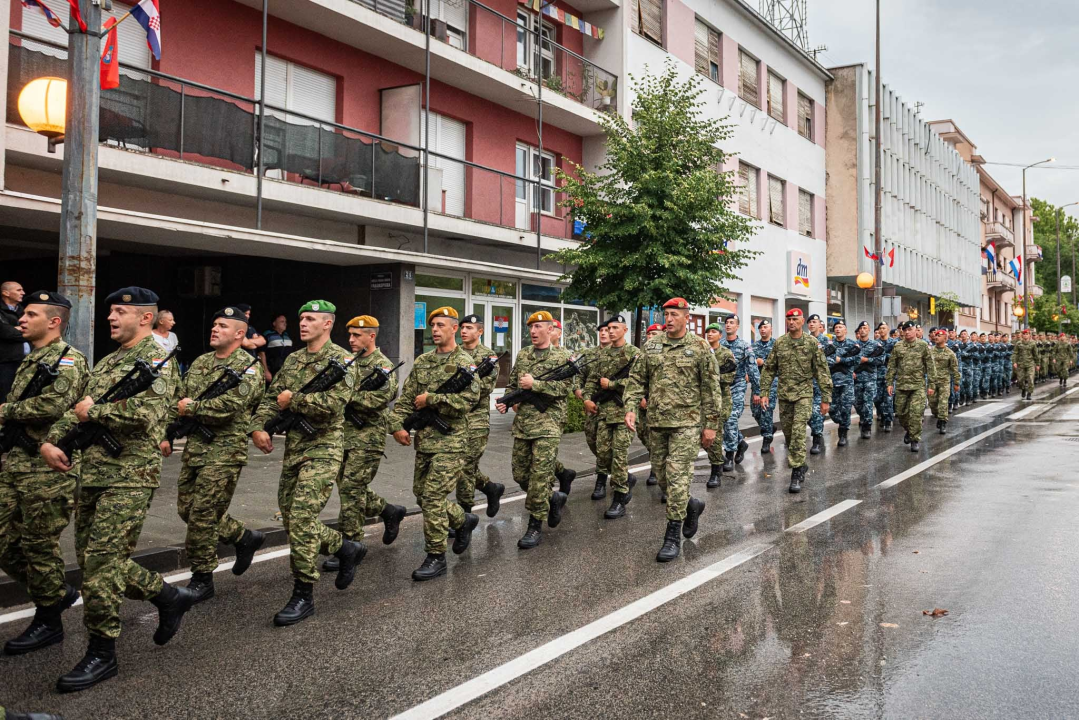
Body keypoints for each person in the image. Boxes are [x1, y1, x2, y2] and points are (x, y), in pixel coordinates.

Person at [40, 287, 194, 692]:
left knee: (103, 564)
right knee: (93, 562)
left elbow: (148, 415)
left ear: (145, 318)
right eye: (110, 310)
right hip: (92, 473)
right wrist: (51, 441)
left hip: (130, 475)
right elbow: (77, 408)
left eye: (120, 311)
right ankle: (167, 596)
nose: (110, 316)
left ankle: (102, 652)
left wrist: (98, 411)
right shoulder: (109, 360)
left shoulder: (157, 359)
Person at [250, 300, 366, 625]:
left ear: (327, 324)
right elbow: (274, 397)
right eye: (301, 318)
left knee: (301, 517)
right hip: (296, 448)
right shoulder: (294, 359)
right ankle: (345, 549)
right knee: (289, 516)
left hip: (324, 448)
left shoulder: (341, 359)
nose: (303, 323)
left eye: (310, 319)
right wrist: (258, 425)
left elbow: (335, 403)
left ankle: (303, 594)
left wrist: (296, 400)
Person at [0, 292, 88, 657]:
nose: (22, 318)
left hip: (50, 467)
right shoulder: (31, 358)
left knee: (39, 544)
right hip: (17, 463)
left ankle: (49, 621)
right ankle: (55, 591)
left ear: (54, 321)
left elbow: (55, 404)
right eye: (22, 312)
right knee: (4, 541)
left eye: (31, 313)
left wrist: (6, 410)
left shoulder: (68, 360)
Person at [160, 306, 266, 603]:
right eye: (214, 324)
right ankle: (244, 538)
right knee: (186, 510)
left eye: (222, 326)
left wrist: (191, 408)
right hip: (195, 448)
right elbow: (179, 397)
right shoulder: (202, 362)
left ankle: (202, 578)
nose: (214, 329)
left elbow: (232, 406)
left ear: (239, 333)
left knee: (203, 516)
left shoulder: (248, 366)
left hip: (225, 451)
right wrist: (168, 431)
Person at [391, 307, 480, 579]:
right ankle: (463, 520)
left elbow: (469, 401)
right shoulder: (423, 362)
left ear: (455, 328)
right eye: (433, 325)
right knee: (421, 495)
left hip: (452, 441)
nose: (436, 330)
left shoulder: (465, 361)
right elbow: (407, 398)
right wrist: (397, 424)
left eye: (441, 325)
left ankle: (436, 556)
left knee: (432, 497)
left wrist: (434, 399)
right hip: (425, 441)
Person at [623, 298, 715, 562]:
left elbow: (711, 388)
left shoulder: (699, 347)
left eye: (674, 314)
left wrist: (711, 425)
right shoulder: (652, 346)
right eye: (666, 314)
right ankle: (691, 505)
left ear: (687, 317)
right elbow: (637, 379)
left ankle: (672, 535)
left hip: (687, 423)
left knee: (676, 475)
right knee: (662, 477)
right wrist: (630, 407)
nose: (669, 318)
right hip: (657, 422)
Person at [323, 315, 409, 572]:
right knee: (348, 488)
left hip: (367, 437)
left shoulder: (382, 366)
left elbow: (379, 399)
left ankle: (352, 545)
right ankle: (388, 511)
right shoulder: (346, 362)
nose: (351, 340)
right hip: (340, 435)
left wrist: (345, 396)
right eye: (349, 335)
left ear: (371, 336)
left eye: (357, 335)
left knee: (351, 489)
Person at [497, 311, 573, 549]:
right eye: (530, 327)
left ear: (551, 330)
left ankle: (534, 524)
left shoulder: (563, 356)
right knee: (520, 474)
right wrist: (508, 400)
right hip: (524, 423)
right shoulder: (523, 354)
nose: (533, 331)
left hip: (549, 423)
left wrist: (536, 384)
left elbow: (566, 387)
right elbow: (513, 382)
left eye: (538, 326)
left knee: (540, 476)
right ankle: (553, 498)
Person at [758, 308, 832, 493]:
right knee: (790, 434)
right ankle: (800, 463)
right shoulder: (780, 343)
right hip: (784, 395)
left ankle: (797, 472)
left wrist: (825, 398)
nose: (791, 322)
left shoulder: (812, 343)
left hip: (804, 395)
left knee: (798, 431)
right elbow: (769, 369)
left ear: (802, 321)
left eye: (795, 319)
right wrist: (764, 391)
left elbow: (822, 371)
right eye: (788, 319)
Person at [584, 315, 640, 519]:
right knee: (603, 454)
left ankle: (620, 497)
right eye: (609, 328)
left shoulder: (634, 354)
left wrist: (614, 385)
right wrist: (587, 399)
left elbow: (639, 382)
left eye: (615, 327)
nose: (611, 331)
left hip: (625, 412)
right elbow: (592, 379)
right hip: (603, 413)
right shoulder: (602, 354)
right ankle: (625, 479)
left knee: (619, 455)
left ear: (625, 330)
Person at [454, 314, 506, 522]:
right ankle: (490, 488)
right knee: (461, 466)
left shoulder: (489, 357)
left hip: (476, 419)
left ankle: (464, 515)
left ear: (480, 331)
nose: (464, 331)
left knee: (465, 465)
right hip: (454, 418)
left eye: (469, 327)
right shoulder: (454, 353)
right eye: (462, 328)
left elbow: (484, 387)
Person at [886, 321, 935, 452]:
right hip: (902, 386)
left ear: (915, 330)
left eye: (909, 329)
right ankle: (909, 430)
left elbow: (930, 366)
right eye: (904, 330)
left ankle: (915, 439)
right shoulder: (898, 346)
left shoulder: (923, 346)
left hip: (918, 386)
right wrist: (890, 383)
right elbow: (892, 366)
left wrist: (932, 384)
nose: (907, 332)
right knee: (901, 414)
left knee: (916, 413)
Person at [719, 315, 760, 467]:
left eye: (732, 323)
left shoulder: (744, 346)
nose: (728, 325)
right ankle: (740, 442)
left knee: (730, 419)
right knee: (724, 420)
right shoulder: (719, 345)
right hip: (722, 388)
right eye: (727, 323)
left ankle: (729, 454)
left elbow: (753, 370)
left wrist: (757, 391)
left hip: (738, 386)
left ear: (737, 327)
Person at [580, 321, 611, 499]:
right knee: (592, 440)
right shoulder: (590, 354)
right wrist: (582, 394)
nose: (604, 333)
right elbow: (581, 376)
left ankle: (601, 480)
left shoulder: (622, 353)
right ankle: (619, 471)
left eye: (607, 330)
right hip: (593, 406)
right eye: (601, 331)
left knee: (604, 444)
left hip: (612, 408)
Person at [703, 323, 734, 485]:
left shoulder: (726, 354)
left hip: (721, 400)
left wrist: (713, 377)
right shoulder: (702, 352)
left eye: (714, 332)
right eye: (708, 332)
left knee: (715, 434)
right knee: (702, 437)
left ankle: (716, 470)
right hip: (702, 401)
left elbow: (730, 377)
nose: (710, 334)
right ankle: (717, 458)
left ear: (720, 335)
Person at [826, 320, 858, 447]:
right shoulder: (830, 345)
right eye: (836, 327)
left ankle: (843, 433)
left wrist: (841, 360)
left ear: (845, 330)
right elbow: (825, 359)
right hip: (832, 381)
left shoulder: (852, 345)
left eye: (840, 327)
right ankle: (842, 422)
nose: (838, 329)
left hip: (847, 382)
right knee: (833, 409)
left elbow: (856, 360)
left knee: (845, 408)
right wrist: (835, 360)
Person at [640, 323, 664, 484]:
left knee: (660, 438)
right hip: (645, 402)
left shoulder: (668, 352)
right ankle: (657, 463)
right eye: (649, 334)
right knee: (644, 435)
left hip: (663, 404)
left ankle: (657, 469)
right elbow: (637, 378)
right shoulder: (642, 354)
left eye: (655, 333)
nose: (651, 337)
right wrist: (641, 396)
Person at [851, 321, 883, 439]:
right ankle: (863, 417)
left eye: (865, 328)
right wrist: (852, 371)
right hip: (857, 378)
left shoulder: (876, 345)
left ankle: (867, 426)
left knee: (868, 402)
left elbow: (881, 360)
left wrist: (867, 360)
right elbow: (848, 361)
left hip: (870, 378)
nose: (863, 330)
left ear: (869, 330)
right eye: (861, 328)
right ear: (858, 331)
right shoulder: (853, 345)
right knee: (858, 403)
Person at [927, 327, 960, 435]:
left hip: (945, 381)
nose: (936, 337)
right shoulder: (930, 352)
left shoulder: (950, 353)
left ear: (945, 338)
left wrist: (956, 383)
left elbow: (955, 368)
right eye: (936, 335)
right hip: (932, 381)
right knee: (932, 403)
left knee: (943, 402)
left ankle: (943, 422)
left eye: (939, 336)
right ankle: (938, 416)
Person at [752, 319, 778, 454]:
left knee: (766, 410)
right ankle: (769, 427)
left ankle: (767, 438)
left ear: (771, 329)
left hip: (772, 382)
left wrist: (764, 362)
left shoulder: (776, 345)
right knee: (755, 411)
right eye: (761, 327)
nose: (763, 329)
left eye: (765, 327)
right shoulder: (754, 346)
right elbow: (750, 363)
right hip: (757, 382)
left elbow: (779, 364)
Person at [806, 314, 831, 455]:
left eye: (814, 322)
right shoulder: (805, 340)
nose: (812, 324)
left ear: (819, 324)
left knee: (816, 412)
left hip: (820, 383)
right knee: (807, 414)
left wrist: (819, 365)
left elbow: (833, 359)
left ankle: (816, 439)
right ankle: (818, 430)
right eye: (810, 322)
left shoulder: (826, 341)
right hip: (806, 383)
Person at [0, 281, 27, 402]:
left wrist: (16, 329)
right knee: (5, 396)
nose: (23, 293)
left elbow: (38, 330)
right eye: (19, 290)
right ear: (6, 293)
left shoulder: (25, 310)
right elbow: (6, 332)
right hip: (6, 362)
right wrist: (27, 331)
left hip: (26, 361)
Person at [873, 322, 895, 431]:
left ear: (888, 329)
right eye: (880, 328)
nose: (882, 330)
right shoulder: (875, 343)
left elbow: (896, 358)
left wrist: (884, 356)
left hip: (889, 375)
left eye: (884, 328)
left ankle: (888, 421)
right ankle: (881, 414)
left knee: (888, 399)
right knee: (877, 399)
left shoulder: (893, 342)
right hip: (877, 374)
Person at [260, 314, 294, 381]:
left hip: (286, 372)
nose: (285, 324)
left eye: (285, 322)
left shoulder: (287, 336)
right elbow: (261, 353)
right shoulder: (268, 335)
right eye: (282, 321)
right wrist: (266, 371)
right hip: (272, 371)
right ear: (274, 323)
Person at [1012, 328, 1039, 399]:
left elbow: (1035, 354)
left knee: (1030, 378)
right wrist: (1014, 362)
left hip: (1030, 364)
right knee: (1020, 380)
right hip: (1021, 364)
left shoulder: (1033, 343)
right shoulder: (1018, 343)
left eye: (1026, 334)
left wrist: (1037, 364)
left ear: (1029, 335)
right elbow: (1015, 353)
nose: (1025, 335)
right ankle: (1023, 389)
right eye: (1024, 334)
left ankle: (1029, 393)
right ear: (1022, 335)